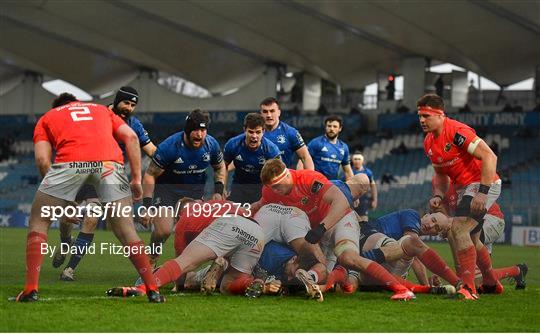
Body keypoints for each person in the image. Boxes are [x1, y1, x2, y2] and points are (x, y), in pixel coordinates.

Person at [12, 93, 163, 302]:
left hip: (69, 165)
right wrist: (136, 178)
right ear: (77, 102)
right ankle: (153, 290)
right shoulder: (101, 110)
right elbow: (131, 138)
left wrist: (64, 200)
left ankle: (30, 290)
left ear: (57, 106)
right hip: (109, 166)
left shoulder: (48, 117)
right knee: (126, 230)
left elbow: (41, 159)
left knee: (39, 221)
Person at [251, 159, 415, 301]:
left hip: (340, 220)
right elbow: (260, 205)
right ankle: (310, 280)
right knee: (324, 276)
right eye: (271, 187)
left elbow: (341, 201)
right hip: (318, 232)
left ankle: (402, 290)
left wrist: (322, 228)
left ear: (287, 175)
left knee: (348, 257)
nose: (274, 191)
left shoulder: (308, 179)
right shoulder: (270, 189)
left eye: (277, 186)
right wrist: (236, 212)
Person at [54, 86, 157, 281]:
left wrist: (168, 159)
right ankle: (65, 240)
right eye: (126, 103)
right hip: (81, 170)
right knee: (67, 218)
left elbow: (152, 150)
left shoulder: (134, 124)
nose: (129, 108)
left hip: (108, 177)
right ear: (117, 101)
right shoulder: (96, 116)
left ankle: (70, 269)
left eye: (133, 105)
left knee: (92, 217)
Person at [418, 93, 502, 300]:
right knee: (471, 236)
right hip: (464, 188)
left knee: (458, 228)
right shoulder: (428, 142)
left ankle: (469, 288)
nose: (421, 120)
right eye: (419, 115)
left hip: (483, 183)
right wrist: (438, 194)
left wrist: (483, 192)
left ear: (440, 115)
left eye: (426, 116)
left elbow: (490, 156)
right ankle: (491, 282)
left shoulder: (457, 131)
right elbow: (439, 174)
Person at [107, 199, 268, 297]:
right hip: (256, 231)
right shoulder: (216, 203)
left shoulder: (185, 218)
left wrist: (181, 287)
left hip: (229, 224)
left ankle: (143, 288)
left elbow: (181, 270)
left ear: (179, 213)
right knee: (228, 285)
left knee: (184, 263)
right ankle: (255, 283)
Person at [140, 109, 226, 266]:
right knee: (163, 231)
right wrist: (146, 207)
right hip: (167, 190)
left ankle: (182, 268)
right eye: (195, 130)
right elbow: (150, 174)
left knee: (190, 231)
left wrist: (218, 191)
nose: (199, 135)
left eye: (203, 130)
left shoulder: (211, 145)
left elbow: (220, 167)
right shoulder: (170, 147)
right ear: (187, 130)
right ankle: (152, 257)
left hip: (193, 191)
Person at [223, 113, 280, 204]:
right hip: (239, 186)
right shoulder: (233, 144)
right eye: (251, 132)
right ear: (244, 130)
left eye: (258, 132)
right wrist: (223, 189)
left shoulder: (271, 150)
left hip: (261, 189)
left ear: (263, 132)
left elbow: (278, 176)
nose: (254, 136)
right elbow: (223, 167)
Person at [259, 97, 314, 170]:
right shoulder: (254, 133)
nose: (269, 115)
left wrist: (310, 179)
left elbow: (305, 157)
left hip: (283, 179)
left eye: (272, 111)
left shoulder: (290, 132)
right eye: (265, 112)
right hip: (257, 180)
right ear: (261, 114)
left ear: (279, 112)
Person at [305, 115, 354, 180]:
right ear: (325, 127)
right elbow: (302, 160)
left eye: (335, 126)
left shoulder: (344, 147)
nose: (331, 129)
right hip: (315, 183)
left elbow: (348, 172)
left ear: (340, 128)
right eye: (329, 126)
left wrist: (353, 187)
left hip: (332, 185)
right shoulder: (316, 143)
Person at [350, 153, 377, 222]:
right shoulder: (349, 172)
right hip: (352, 200)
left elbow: (373, 186)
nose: (357, 161)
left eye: (359, 159)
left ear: (362, 160)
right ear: (352, 160)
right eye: (355, 159)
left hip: (363, 200)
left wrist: (374, 199)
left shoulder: (368, 172)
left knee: (364, 221)